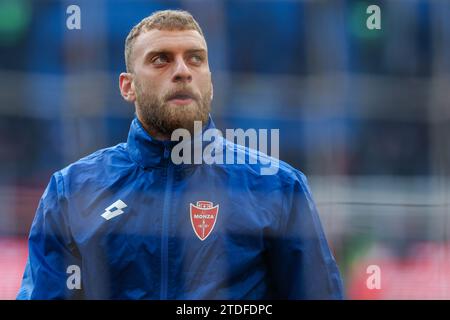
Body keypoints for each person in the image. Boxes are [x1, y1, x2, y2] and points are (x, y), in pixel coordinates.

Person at [17, 10, 343, 299]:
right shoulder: (71, 191)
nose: (183, 71)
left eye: (196, 58)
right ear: (127, 86)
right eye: (161, 59)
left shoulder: (278, 188)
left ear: (211, 83)